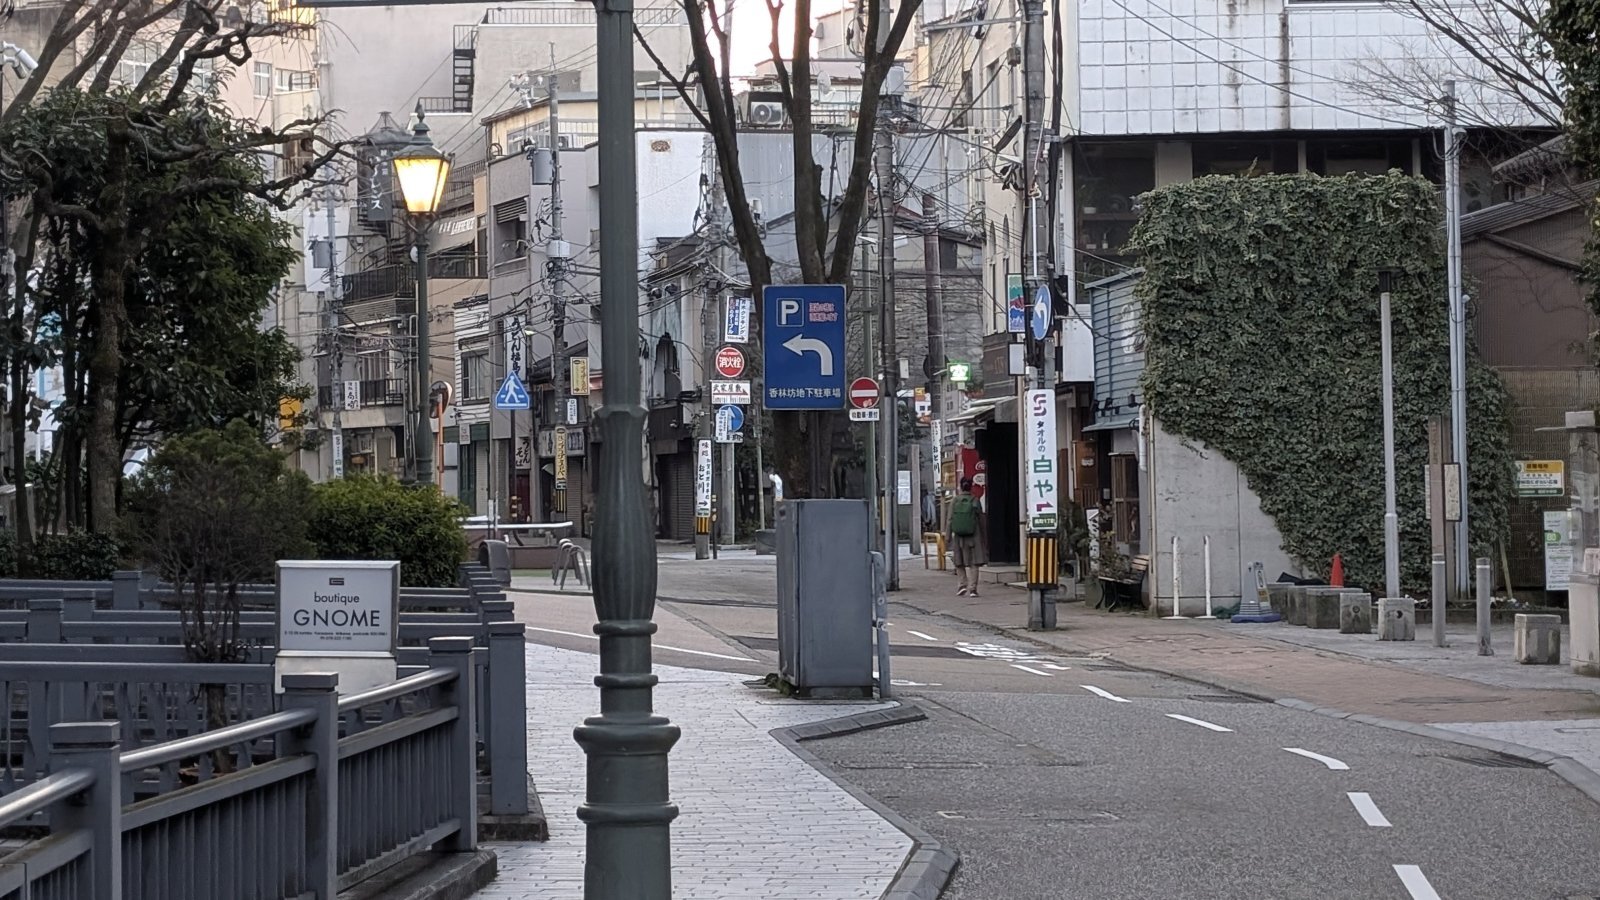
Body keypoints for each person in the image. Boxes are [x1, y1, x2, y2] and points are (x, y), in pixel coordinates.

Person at [947, 478, 986, 596]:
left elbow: (950, 520)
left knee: (959, 562)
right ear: (971, 487)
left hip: (959, 536)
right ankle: (973, 589)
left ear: (960, 486)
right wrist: (984, 536)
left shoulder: (955, 501)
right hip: (974, 535)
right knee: (974, 562)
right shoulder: (975, 500)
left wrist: (947, 536)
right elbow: (981, 520)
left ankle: (961, 585)